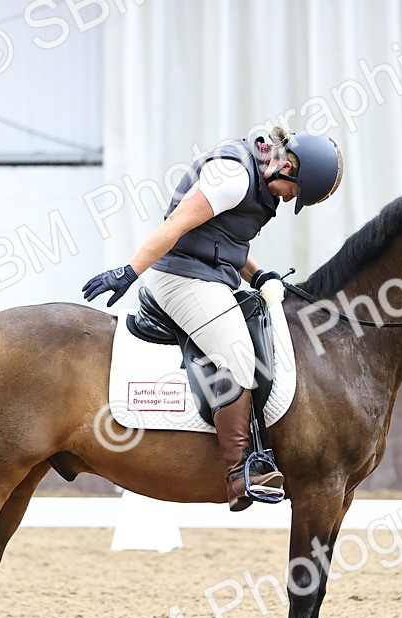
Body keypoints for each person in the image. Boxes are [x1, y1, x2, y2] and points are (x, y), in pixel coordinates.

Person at [82, 127, 344, 510]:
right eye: (295, 193)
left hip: (208, 276)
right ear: (288, 168)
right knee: (239, 355)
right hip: (180, 277)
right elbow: (176, 225)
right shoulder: (233, 177)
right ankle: (240, 472)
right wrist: (128, 271)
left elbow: (225, 237)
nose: (290, 200)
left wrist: (258, 275)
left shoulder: (261, 176)